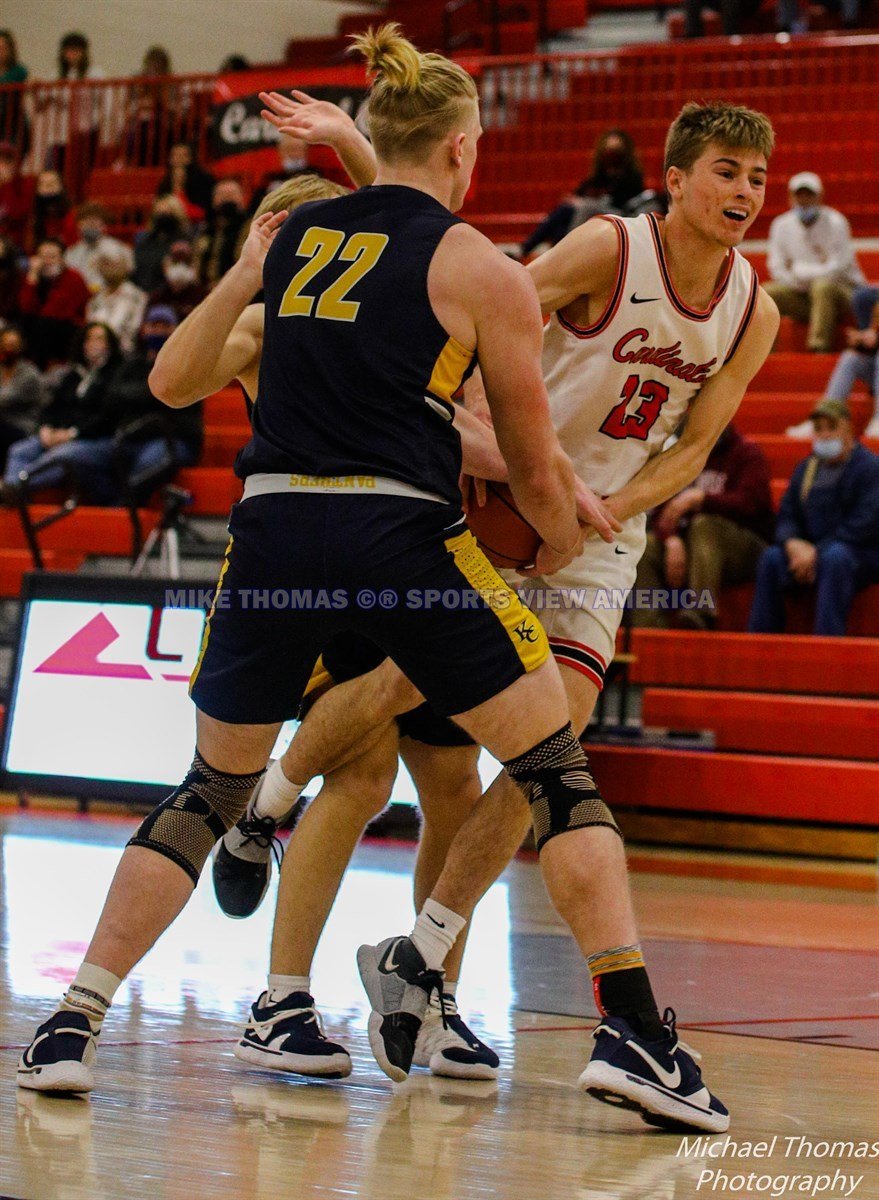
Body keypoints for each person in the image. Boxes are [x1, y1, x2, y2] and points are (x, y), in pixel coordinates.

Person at [16, 24, 628, 1121]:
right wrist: (556, 521)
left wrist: (319, 178)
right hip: (397, 533)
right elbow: (188, 375)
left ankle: (76, 1015)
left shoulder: (313, 252)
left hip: (281, 533)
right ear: (461, 146)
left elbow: (377, 276)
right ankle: (611, 1025)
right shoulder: (451, 264)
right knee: (520, 769)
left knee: (258, 785)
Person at [246, 85, 778, 1127]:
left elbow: (697, 446)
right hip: (502, 497)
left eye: (756, 178)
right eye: (727, 172)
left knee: (554, 746)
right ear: (674, 180)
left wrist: (609, 509)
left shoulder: (750, 308)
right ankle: (266, 797)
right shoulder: (606, 248)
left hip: (595, 537)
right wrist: (505, 459)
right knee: (403, 687)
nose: (746, 192)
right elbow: (471, 312)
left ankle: (421, 951)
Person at [157, 173, 507, 1079]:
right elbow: (173, 382)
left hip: (412, 544)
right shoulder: (263, 322)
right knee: (361, 776)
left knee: (454, 781)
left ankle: (430, 998)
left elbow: (462, 421)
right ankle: (279, 998)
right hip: (311, 556)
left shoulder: (402, 308)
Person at [749, 399, 879, 636]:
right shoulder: (807, 468)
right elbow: (787, 514)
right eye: (819, 429)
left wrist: (816, 551)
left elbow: (864, 524)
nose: (825, 434)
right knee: (771, 558)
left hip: (859, 553)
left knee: (835, 557)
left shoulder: (870, 468)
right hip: (810, 552)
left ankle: (827, 643)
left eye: (832, 427)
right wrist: (792, 543)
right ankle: (762, 643)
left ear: (848, 429)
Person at [632, 423, 774, 629]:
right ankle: (649, 628)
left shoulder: (746, 453)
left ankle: (701, 611)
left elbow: (754, 504)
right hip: (694, 547)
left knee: (704, 524)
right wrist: (670, 539)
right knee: (648, 547)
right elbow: (661, 511)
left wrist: (702, 500)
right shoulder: (684, 457)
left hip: (744, 547)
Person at [4, 322, 122, 500]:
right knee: (19, 450)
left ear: (110, 344)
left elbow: (107, 418)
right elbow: (52, 408)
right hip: (60, 434)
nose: (93, 344)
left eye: (99, 339)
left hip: (95, 439)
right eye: (89, 339)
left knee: (63, 456)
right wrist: (45, 428)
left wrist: (72, 434)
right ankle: (13, 495)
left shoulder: (116, 374)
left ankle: (15, 488)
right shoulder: (73, 375)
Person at [763, 172, 865, 353]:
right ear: (790, 197)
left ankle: (819, 349)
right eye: (799, 195)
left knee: (822, 287)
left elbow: (839, 267)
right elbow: (776, 267)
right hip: (801, 293)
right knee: (767, 293)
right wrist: (797, 281)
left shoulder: (836, 222)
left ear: (819, 196)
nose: (804, 200)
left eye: (809, 195)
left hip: (842, 293)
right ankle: (764, 353)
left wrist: (801, 272)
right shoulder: (781, 225)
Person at [109, 306, 203, 496]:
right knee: (84, 458)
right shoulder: (132, 364)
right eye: (154, 325)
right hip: (130, 436)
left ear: (176, 329)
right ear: (144, 329)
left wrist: (139, 397)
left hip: (172, 440)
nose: (159, 331)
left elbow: (178, 410)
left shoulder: (187, 364)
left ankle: (123, 508)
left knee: (146, 465)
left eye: (165, 326)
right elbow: (113, 397)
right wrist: (151, 394)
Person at [521, 129, 645, 258]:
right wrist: (575, 200)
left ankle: (566, 250)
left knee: (586, 206)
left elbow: (621, 200)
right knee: (565, 211)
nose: (611, 154)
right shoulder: (600, 174)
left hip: (620, 213)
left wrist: (583, 202)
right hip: (593, 207)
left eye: (615, 150)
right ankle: (529, 248)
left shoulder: (631, 175)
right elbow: (582, 191)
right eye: (608, 149)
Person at [17, 237, 90, 369]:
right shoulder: (32, 277)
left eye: (52, 257)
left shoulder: (73, 278)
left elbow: (54, 313)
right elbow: (26, 309)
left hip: (66, 330)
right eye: (42, 257)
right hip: (40, 330)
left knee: (44, 324)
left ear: (62, 259)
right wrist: (32, 277)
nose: (46, 262)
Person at [86, 244, 146, 354]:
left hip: (124, 354)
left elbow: (133, 331)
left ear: (127, 266)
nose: (108, 267)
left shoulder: (137, 296)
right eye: (104, 262)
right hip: (95, 353)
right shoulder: (95, 299)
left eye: (114, 262)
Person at [0, 325, 46, 469]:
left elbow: (4, 399)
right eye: (5, 344)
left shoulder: (29, 374)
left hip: (24, 428)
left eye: (12, 345)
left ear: (21, 347)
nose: (8, 349)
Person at [194, 178, 249, 288]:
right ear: (213, 200)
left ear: (242, 199)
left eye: (232, 195)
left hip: (235, 287)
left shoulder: (249, 227)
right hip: (204, 289)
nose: (227, 199)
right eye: (222, 195)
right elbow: (196, 260)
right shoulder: (206, 229)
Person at [132, 195, 191, 293]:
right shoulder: (145, 241)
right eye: (159, 213)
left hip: (169, 293)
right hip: (142, 291)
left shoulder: (184, 241)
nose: (163, 217)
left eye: (167, 213)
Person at [65, 204, 129, 292]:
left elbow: (121, 277)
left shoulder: (116, 248)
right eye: (87, 223)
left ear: (103, 226)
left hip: (106, 295)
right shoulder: (72, 251)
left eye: (95, 224)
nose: (91, 227)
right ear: (79, 225)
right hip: (79, 295)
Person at [146, 240, 207, 323]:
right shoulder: (156, 298)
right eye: (176, 261)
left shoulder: (203, 298)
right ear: (165, 265)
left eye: (186, 261)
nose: (180, 266)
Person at [155, 142, 215, 223]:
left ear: (191, 158)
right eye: (175, 155)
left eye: (184, 155)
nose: (179, 159)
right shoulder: (166, 181)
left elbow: (203, 211)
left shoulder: (205, 179)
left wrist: (179, 187)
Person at [0, 141, 33, 251]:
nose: (2, 166)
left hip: (13, 245)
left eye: (7, 161)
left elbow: (17, 214)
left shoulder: (24, 184)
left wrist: (7, 184)